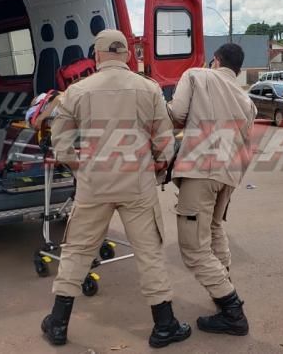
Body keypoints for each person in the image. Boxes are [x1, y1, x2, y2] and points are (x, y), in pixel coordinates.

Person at [41, 30, 191, 349]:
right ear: (127, 55)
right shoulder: (148, 88)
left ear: (96, 56)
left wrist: (80, 168)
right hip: (137, 183)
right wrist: (157, 166)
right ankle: (164, 326)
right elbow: (164, 141)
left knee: (77, 250)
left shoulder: (77, 91)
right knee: (149, 252)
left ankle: (58, 323)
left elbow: (61, 143)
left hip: (93, 184)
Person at [167, 43, 257, 337]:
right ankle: (223, 287)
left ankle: (232, 311)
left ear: (215, 60)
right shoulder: (247, 100)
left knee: (193, 248)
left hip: (201, 170)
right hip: (228, 175)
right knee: (215, 228)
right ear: (238, 69)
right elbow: (246, 143)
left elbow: (176, 114)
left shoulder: (196, 75)